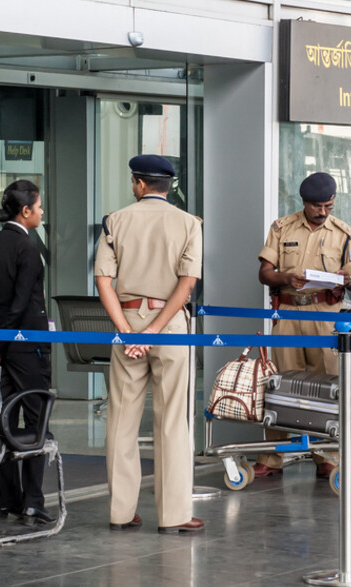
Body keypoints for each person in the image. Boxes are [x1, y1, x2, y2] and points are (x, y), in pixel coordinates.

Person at [95, 154, 205, 533]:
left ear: (139, 184)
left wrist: (129, 330)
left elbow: (103, 281)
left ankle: (121, 512)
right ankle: (174, 515)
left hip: (127, 323)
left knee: (121, 420)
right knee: (172, 419)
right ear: (168, 186)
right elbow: (187, 284)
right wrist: (154, 329)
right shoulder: (189, 223)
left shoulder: (115, 221)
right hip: (169, 324)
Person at [253, 172, 351, 479]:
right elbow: (264, 273)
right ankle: (272, 456)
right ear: (304, 202)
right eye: (317, 206)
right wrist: (285, 278)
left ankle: (327, 455)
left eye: (328, 206)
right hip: (289, 311)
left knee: (328, 384)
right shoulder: (282, 227)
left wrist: (349, 279)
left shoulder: (344, 233)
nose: (323, 211)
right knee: (279, 383)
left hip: (325, 313)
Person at [0, 179, 55, 526]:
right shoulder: (27, 248)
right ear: (25, 210)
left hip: (0, 347)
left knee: (2, 420)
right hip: (28, 346)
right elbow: (20, 306)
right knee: (36, 421)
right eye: (39, 206)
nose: (42, 212)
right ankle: (33, 502)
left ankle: (6, 500)